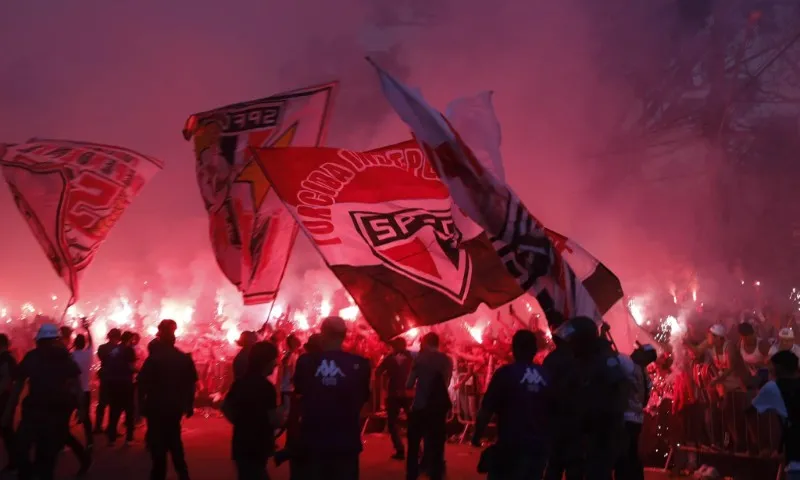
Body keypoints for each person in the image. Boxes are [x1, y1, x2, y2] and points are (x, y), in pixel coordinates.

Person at [3, 323, 90, 480]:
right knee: (39, 454)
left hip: (48, 412)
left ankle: (31, 472)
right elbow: (76, 385)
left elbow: (18, 386)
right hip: (43, 411)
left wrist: (9, 411)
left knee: (38, 453)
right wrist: (81, 408)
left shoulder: (59, 358)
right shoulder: (39, 357)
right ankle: (32, 472)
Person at [293, 316, 371, 480]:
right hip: (346, 441)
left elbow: (299, 393)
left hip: (313, 440)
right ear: (344, 335)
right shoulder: (360, 364)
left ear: (323, 334)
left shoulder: (306, 362)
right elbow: (364, 402)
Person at [472, 329, 552, 479]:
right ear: (534, 350)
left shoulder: (505, 373)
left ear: (514, 349)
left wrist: (477, 434)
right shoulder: (546, 375)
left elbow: (486, 409)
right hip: (538, 448)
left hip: (511, 446)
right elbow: (555, 410)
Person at [567, 316, 630, 480]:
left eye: (573, 339)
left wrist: (603, 422)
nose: (570, 343)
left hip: (600, 437)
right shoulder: (580, 362)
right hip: (583, 436)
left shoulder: (605, 361)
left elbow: (620, 394)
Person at [138, 320, 197, 480]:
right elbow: (191, 384)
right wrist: (189, 405)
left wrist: (140, 407)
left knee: (158, 449)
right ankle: (183, 474)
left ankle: (159, 475)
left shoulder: (153, 360)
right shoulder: (184, 358)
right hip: (175, 408)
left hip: (156, 408)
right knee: (175, 441)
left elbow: (141, 385)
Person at [223, 341, 287, 480]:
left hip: (241, 444)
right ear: (265, 361)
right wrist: (282, 417)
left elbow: (226, 407)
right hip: (258, 446)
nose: (276, 364)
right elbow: (273, 420)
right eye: (273, 360)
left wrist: (240, 421)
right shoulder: (266, 388)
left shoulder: (240, 383)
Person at [406, 332, 453, 480]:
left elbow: (408, 384)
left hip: (420, 407)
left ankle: (412, 474)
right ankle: (436, 473)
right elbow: (447, 382)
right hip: (438, 409)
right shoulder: (446, 360)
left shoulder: (419, 360)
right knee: (437, 445)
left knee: (414, 445)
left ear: (425, 343)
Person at [542, 313, 583, 480]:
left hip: (556, 422)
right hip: (575, 422)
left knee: (554, 466)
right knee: (574, 469)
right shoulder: (580, 360)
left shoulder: (551, 360)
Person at [752, 350, 800, 479]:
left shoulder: (773, 388)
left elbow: (750, 413)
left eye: (772, 370)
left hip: (794, 457)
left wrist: (764, 445)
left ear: (778, 370)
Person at [615, 344, 657, 480]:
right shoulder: (645, 375)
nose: (634, 350)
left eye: (639, 351)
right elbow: (645, 400)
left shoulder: (628, 364)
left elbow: (610, 355)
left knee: (623, 455)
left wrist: (603, 333)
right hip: (637, 419)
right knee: (632, 453)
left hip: (626, 418)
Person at [376, 337, 414, 460]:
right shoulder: (411, 356)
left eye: (394, 345)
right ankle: (415, 451)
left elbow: (378, 371)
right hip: (407, 393)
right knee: (410, 422)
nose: (393, 347)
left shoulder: (390, 358)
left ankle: (401, 450)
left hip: (398, 393)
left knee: (394, 423)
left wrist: (384, 384)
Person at [106, 330, 137, 446]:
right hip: (126, 383)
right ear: (129, 339)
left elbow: (109, 364)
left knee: (114, 411)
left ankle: (111, 438)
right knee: (129, 411)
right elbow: (131, 367)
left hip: (114, 383)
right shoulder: (129, 350)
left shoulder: (115, 350)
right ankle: (129, 439)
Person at [95, 328, 122, 434]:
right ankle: (111, 428)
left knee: (102, 403)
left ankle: (98, 426)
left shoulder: (102, 348)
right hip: (115, 378)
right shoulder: (120, 349)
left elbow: (102, 358)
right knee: (114, 405)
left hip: (105, 377)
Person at [71, 330, 94, 450]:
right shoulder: (88, 354)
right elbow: (91, 343)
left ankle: (62, 443)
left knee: (65, 416)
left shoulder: (71, 356)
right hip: (85, 391)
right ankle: (90, 442)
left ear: (75, 343)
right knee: (86, 418)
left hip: (73, 391)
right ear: (84, 343)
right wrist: (88, 329)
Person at [0, 334, 17, 473]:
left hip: (4, 400)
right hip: (7, 399)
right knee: (7, 431)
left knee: (7, 431)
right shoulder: (10, 359)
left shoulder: (5, 359)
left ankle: (14, 461)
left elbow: (6, 381)